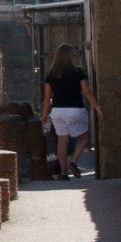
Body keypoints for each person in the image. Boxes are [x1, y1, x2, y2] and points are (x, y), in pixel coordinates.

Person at [44, 46, 94, 179]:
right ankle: (73, 161)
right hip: (76, 109)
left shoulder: (51, 73)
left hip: (57, 111)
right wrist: (97, 107)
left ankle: (63, 173)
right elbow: (86, 92)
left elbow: (47, 97)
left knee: (62, 140)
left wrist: (44, 114)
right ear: (71, 56)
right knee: (83, 138)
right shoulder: (78, 72)